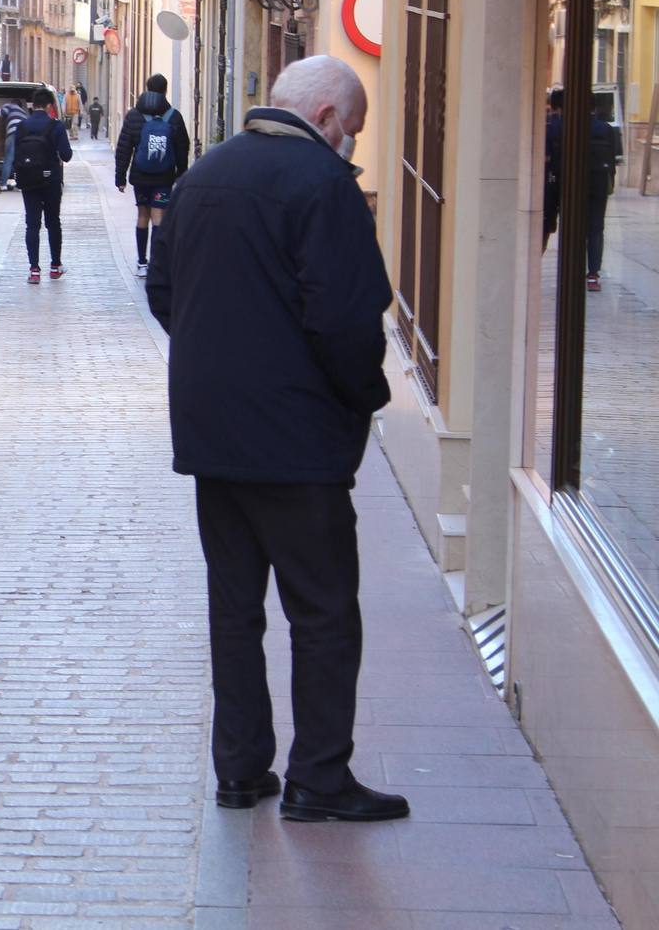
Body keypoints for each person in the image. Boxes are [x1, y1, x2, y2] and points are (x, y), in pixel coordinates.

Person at [145, 56, 407, 823]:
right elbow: (347, 321)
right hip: (297, 445)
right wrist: (360, 398)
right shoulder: (325, 186)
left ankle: (240, 770)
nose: (351, 146)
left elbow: (163, 291)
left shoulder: (203, 176)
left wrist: (222, 363)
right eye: (351, 131)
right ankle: (319, 779)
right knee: (324, 613)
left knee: (235, 609)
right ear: (325, 117)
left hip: (212, 438)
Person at [116, 73, 190, 277]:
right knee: (159, 216)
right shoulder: (174, 116)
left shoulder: (133, 115)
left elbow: (124, 148)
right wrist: (181, 175)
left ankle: (141, 263)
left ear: (146, 88)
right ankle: (157, 263)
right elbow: (183, 147)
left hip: (140, 175)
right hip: (164, 177)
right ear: (165, 90)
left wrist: (120, 178)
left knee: (142, 215)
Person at [11, 87, 73, 283]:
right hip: (51, 180)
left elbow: (14, 154)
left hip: (28, 181)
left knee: (32, 224)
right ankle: (55, 266)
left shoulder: (22, 126)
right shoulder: (56, 126)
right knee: (53, 222)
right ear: (49, 106)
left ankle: (34, 270)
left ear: (32, 105)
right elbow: (67, 155)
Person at [587, 99, 623, 292]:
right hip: (600, 184)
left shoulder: (572, 127)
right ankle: (593, 274)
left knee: (575, 230)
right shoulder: (606, 129)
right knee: (596, 229)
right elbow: (613, 159)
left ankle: (572, 271)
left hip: (576, 185)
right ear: (595, 108)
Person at [543, 87, 563, 247]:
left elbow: (545, 157)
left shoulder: (550, 126)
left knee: (547, 221)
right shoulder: (577, 126)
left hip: (551, 179)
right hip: (571, 181)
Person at [0, 100, 28, 189]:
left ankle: (3, 184)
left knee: (9, 159)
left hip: (13, 134)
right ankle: (20, 184)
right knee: (19, 160)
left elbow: (2, 112)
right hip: (23, 137)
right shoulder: (23, 113)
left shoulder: (10, 106)